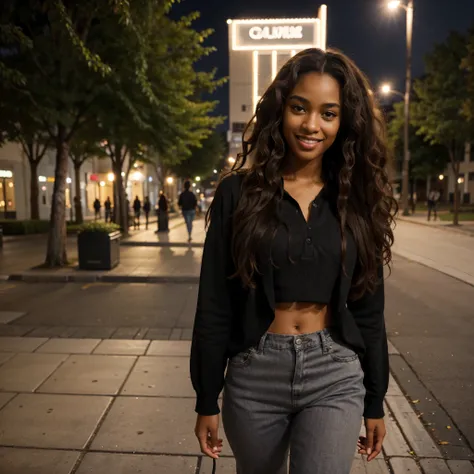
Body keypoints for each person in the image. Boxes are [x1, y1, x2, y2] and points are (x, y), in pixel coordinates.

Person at [190, 48, 397, 474]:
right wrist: (207, 396)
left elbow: (369, 308)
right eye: (300, 108)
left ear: (344, 122)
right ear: (281, 110)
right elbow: (214, 303)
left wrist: (375, 398)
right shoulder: (238, 195)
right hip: (255, 372)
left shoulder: (356, 202)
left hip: (334, 370)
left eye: (329, 113)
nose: (311, 125)